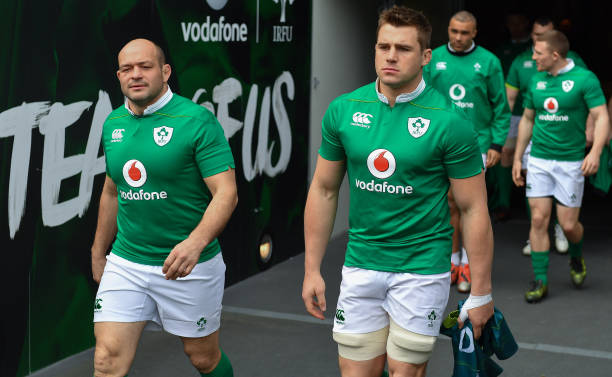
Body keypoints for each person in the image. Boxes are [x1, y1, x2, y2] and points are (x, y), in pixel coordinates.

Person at [302, 6, 494, 377]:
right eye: (383, 46)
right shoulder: (343, 110)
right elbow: (324, 190)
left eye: (403, 49)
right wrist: (312, 269)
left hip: (421, 270)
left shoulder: (451, 122)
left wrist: (481, 292)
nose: (391, 56)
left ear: (426, 56)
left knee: (405, 372)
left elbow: (472, 209)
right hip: (361, 266)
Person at [90, 38, 238, 376]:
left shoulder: (197, 121)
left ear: (165, 71)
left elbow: (226, 193)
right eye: (127, 69)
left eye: (145, 66)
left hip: (189, 265)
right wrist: (99, 250)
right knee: (106, 358)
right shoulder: (113, 124)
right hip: (127, 261)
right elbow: (112, 191)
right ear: (118, 76)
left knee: (203, 357)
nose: (136, 75)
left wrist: (194, 244)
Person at [511, 30, 610, 303]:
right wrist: (519, 157)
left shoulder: (584, 79)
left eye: (538, 53)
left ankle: (576, 256)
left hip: (571, 161)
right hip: (540, 159)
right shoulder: (536, 81)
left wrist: (596, 152)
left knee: (568, 226)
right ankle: (540, 280)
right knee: (539, 218)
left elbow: (601, 116)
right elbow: (528, 120)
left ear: (555, 55)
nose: (533, 57)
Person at [424, 10, 510, 293]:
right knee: (447, 204)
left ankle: (470, 264)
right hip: (439, 142)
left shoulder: (488, 62)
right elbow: (420, 98)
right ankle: (452, 259)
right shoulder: (432, 58)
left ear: (475, 33)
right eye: (453, 31)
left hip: (477, 144)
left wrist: (496, 144)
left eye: (465, 33)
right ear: (447, 30)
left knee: (471, 206)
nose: (458, 38)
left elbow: (500, 106)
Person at [506, 17, 586, 256]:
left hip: (568, 136)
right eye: (537, 36)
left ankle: (563, 229)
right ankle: (538, 231)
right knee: (537, 201)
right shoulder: (523, 63)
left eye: (546, 35)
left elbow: (591, 102)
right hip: (530, 127)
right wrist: (505, 136)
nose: (539, 41)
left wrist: (591, 133)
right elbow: (510, 99)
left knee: (567, 215)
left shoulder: (577, 64)